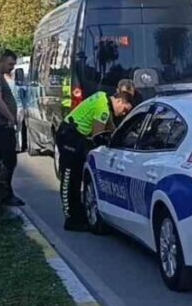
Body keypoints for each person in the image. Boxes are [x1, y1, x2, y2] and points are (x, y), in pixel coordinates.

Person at [56, 88, 135, 231]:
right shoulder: (103, 108)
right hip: (69, 136)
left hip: (73, 136)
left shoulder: (103, 98)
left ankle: (77, 214)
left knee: (76, 177)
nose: (124, 113)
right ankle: (70, 219)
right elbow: (98, 134)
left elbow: (111, 128)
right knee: (69, 178)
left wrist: (121, 137)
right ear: (119, 101)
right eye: (124, 110)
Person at [0, 50, 25, 207]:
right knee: (8, 160)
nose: (12, 68)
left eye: (14, 65)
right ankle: (6, 194)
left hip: (2, 125)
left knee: (7, 160)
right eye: (10, 64)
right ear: (1, 61)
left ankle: (4, 193)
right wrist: (11, 117)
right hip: (1, 125)